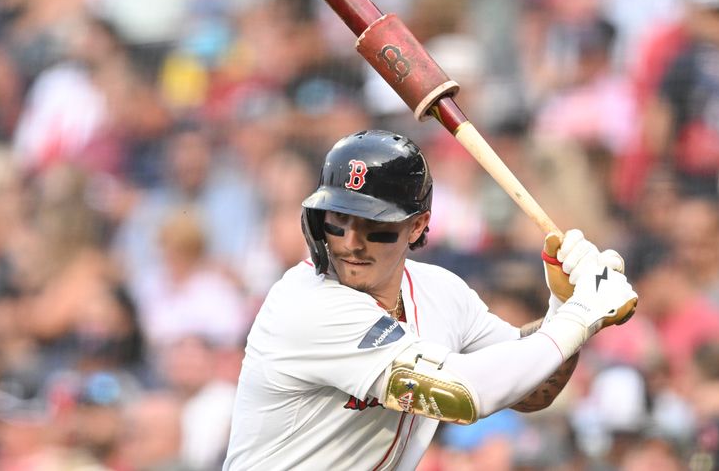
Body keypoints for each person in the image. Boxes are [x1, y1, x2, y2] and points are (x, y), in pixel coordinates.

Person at [223, 129, 638, 470]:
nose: (350, 243)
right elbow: (460, 394)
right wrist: (582, 316)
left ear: (418, 225)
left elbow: (532, 388)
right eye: (337, 221)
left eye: (374, 226)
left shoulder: (440, 291)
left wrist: (562, 304)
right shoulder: (306, 305)